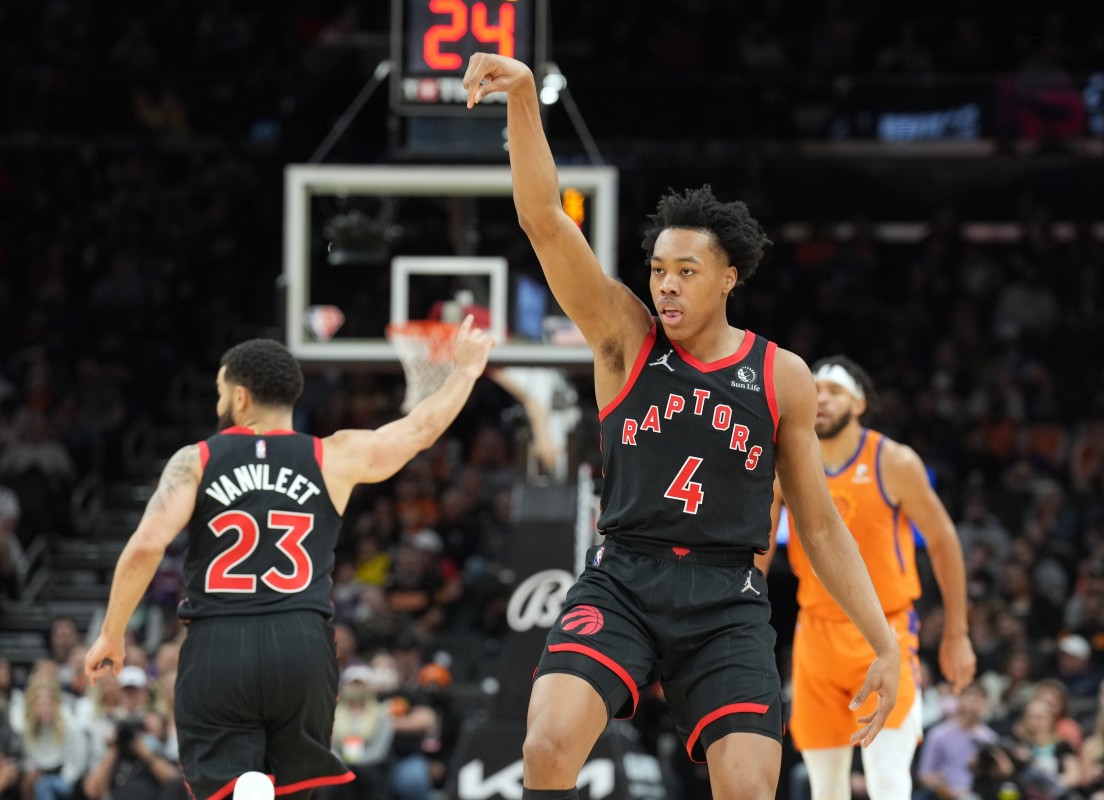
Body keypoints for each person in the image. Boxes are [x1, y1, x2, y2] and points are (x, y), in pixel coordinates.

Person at [463, 54, 901, 800]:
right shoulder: (624, 335)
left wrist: (884, 640)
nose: (666, 282)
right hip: (626, 575)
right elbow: (541, 221)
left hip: (726, 593)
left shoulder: (779, 375)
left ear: (728, 277)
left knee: (750, 784)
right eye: (660, 267)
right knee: (546, 745)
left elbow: (820, 527)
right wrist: (525, 99)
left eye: (687, 271)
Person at [84, 324, 493, 800]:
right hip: (301, 642)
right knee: (295, 789)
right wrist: (465, 370)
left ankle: (246, 788)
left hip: (220, 641)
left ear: (239, 397)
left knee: (222, 788)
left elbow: (144, 547)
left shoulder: (194, 460)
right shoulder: (332, 455)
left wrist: (112, 632)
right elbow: (420, 430)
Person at [766, 356, 976, 800]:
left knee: (887, 782)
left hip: (885, 631)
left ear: (860, 403)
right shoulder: (787, 464)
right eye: (815, 389)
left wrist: (956, 632)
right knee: (825, 790)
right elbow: (758, 551)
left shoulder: (894, 461)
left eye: (835, 391)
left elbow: (944, 542)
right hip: (816, 634)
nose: (822, 398)